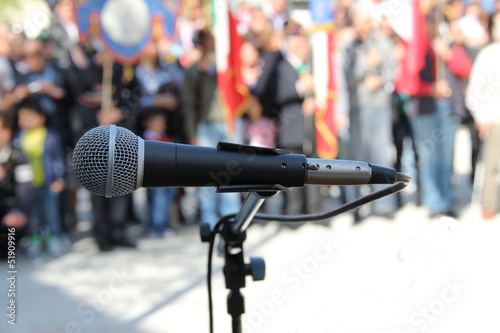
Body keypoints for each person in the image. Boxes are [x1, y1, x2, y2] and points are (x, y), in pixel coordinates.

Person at [339, 3, 398, 221]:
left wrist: (380, 80)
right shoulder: (348, 48)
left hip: (379, 105)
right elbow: (346, 76)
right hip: (358, 107)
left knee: (381, 154)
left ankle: (384, 204)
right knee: (357, 158)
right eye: (360, 21)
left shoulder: (382, 43)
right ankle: (355, 206)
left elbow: (393, 72)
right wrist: (365, 63)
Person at [182, 29, 242, 230]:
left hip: (228, 122)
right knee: (206, 174)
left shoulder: (227, 65)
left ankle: (231, 218)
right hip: (206, 125)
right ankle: (209, 219)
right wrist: (191, 133)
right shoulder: (194, 70)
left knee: (232, 171)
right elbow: (188, 104)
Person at [273, 20, 324, 226]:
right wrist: (299, 88)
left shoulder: (310, 67)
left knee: (313, 170)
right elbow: (278, 95)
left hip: (310, 127)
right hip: (290, 128)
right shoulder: (282, 67)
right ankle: (294, 215)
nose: (305, 48)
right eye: (301, 44)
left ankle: (315, 211)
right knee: (292, 173)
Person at [11, 97, 65, 257]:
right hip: (26, 186)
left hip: (48, 183)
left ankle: (53, 237)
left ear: (41, 117)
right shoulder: (18, 138)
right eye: (22, 117)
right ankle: (34, 237)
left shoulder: (50, 137)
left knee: (50, 212)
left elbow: (58, 159)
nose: (24, 120)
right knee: (32, 214)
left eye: (29, 116)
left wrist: (59, 178)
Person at [465, 16, 500, 219]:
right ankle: (488, 203)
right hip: (494, 119)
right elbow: (476, 89)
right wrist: (481, 115)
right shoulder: (488, 54)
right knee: (491, 163)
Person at [141, 109, 177, 237]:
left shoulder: (166, 137)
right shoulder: (145, 140)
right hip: (154, 178)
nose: (160, 125)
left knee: (167, 202)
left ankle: (165, 226)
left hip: (169, 177)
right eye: (157, 122)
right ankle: (154, 227)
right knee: (157, 202)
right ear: (148, 123)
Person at [0, 112, 27, 258]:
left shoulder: (17, 155)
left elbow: (26, 188)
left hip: (11, 212)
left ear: (7, 132)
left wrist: (17, 210)